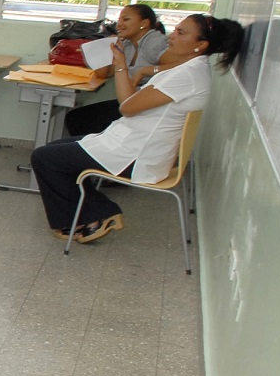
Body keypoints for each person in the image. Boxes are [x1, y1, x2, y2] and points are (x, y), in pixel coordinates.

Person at [32, 14, 244, 243]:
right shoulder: (193, 67)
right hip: (136, 144)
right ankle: (94, 212)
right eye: (176, 29)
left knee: (45, 158)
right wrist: (127, 67)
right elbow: (131, 101)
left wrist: (123, 67)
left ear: (200, 45)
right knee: (56, 149)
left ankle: (96, 215)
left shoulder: (188, 75)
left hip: (136, 155)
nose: (172, 36)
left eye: (181, 33)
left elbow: (127, 107)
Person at [64, 4, 170, 136]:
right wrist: (102, 48)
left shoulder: (154, 42)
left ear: (144, 23)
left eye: (126, 19)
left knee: (80, 120)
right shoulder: (127, 43)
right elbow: (105, 73)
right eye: (119, 20)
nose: (119, 25)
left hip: (149, 108)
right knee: (76, 117)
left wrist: (146, 71)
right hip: (131, 101)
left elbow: (179, 67)